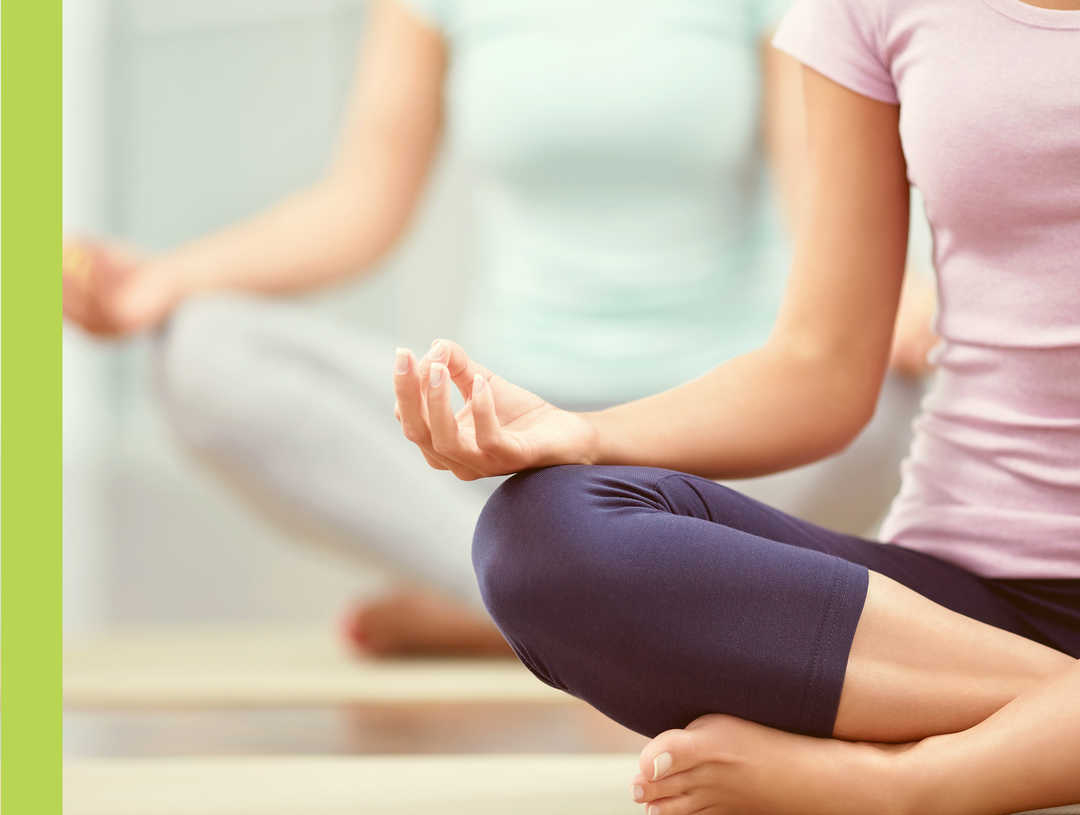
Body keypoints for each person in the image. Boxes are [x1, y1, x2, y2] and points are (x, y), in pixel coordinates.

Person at [391, 0, 1080, 815]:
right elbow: (819, 369)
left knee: (908, 773)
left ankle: (916, 775)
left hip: (935, 683)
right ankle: (1047, 726)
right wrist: (585, 434)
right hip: (954, 619)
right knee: (539, 534)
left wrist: (908, 788)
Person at [62, 0, 935, 656]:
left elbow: (820, 211)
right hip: (507, 440)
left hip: (720, 439)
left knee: (889, 401)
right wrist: (165, 282)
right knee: (205, 351)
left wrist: (935, 321)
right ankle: (546, 593)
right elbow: (359, 207)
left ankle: (536, 596)